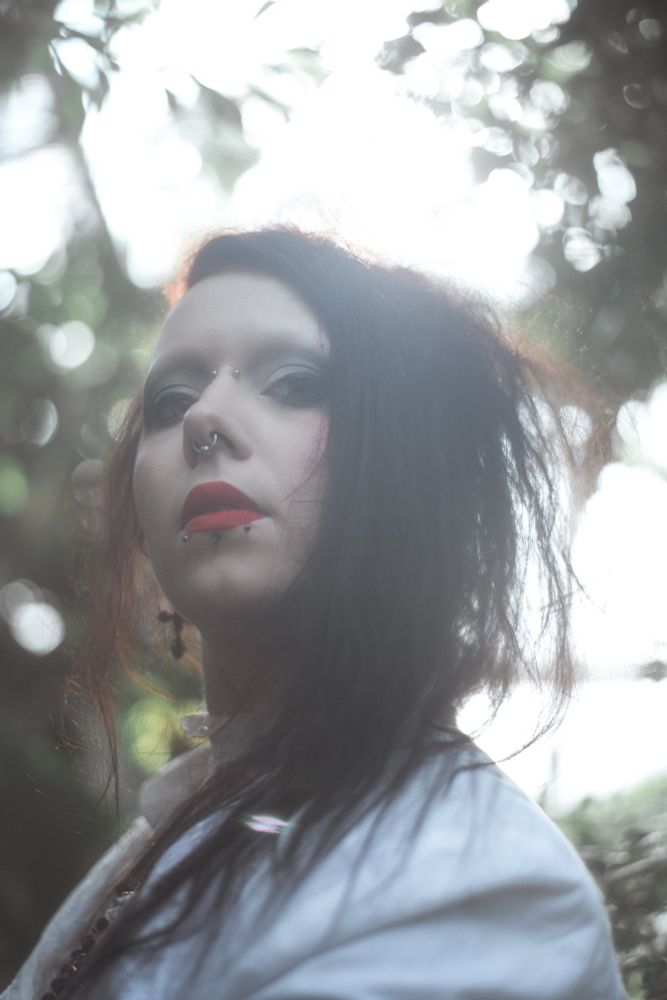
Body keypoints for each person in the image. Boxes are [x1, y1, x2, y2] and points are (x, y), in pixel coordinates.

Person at [3, 228, 625, 999]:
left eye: (295, 382)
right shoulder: (170, 830)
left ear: (410, 466)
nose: (205, 419)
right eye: (170, 400)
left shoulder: (483, 884)